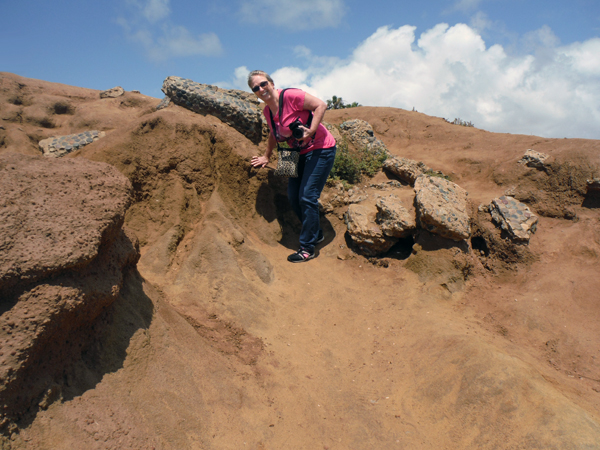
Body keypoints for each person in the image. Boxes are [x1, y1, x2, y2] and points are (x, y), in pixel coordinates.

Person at [248, 70, 337, 263]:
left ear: (271, 83)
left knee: (307, 196)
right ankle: (316, 232)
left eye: (263, 84)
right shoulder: (267, 111)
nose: (261, 89)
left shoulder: (290, 96)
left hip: (319, 146)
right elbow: (273, 134)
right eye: (256, 88)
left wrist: (311, 130)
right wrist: (266, 156)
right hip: (291, 152)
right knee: (292, 196)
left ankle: (307, 248)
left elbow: (321, 105)